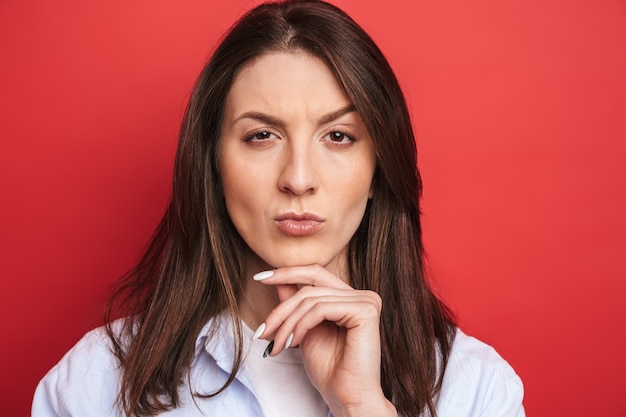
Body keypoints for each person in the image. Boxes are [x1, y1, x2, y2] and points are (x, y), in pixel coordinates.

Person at [32, 1, 525, 416]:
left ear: (378, 170)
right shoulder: (96, 382)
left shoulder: (475, 388)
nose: (298, 179)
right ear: (214, 165)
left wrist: (363, 406)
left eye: (338, 136)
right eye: (261, 136)